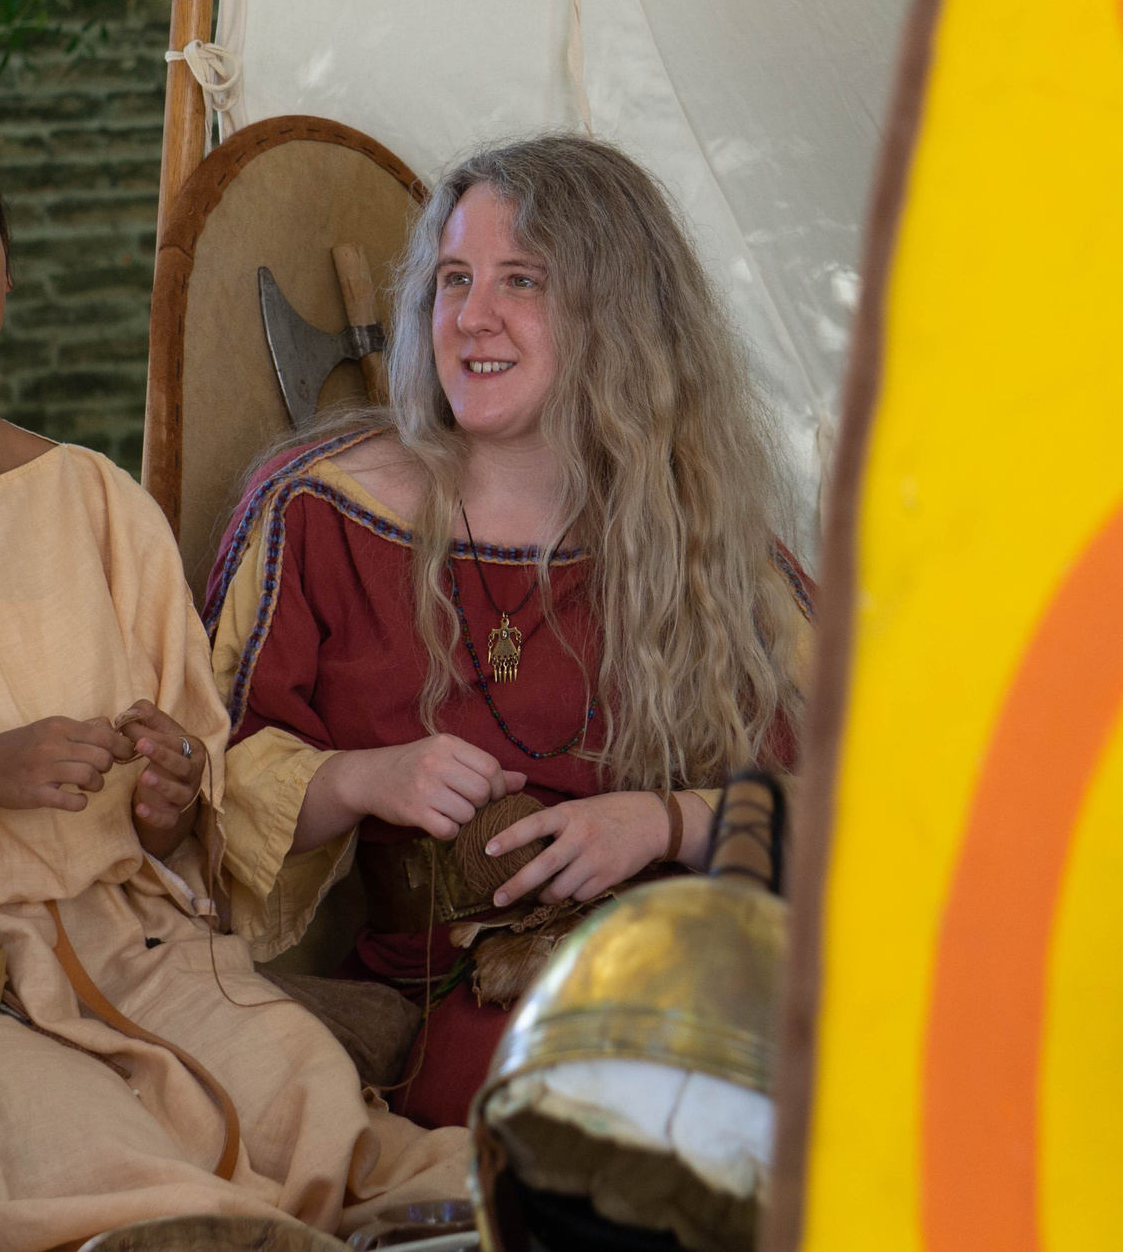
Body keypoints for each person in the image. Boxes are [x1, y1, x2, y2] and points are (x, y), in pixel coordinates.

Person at [0, 105, 468, 1252]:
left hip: (134, 948)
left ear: (6, 254)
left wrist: (167, 797)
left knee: (307, 1095)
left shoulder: (96, 500)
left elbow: (190, 813)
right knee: (91, 1162)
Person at [206, 134, 813, 1129]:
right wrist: (364, 778)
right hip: (472, 999)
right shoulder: (320, 514)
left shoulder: (696, 529)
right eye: (452, 279)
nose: (471, 318)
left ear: (616, 316)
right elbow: (194, 800)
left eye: (520, 280)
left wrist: (660, 823)